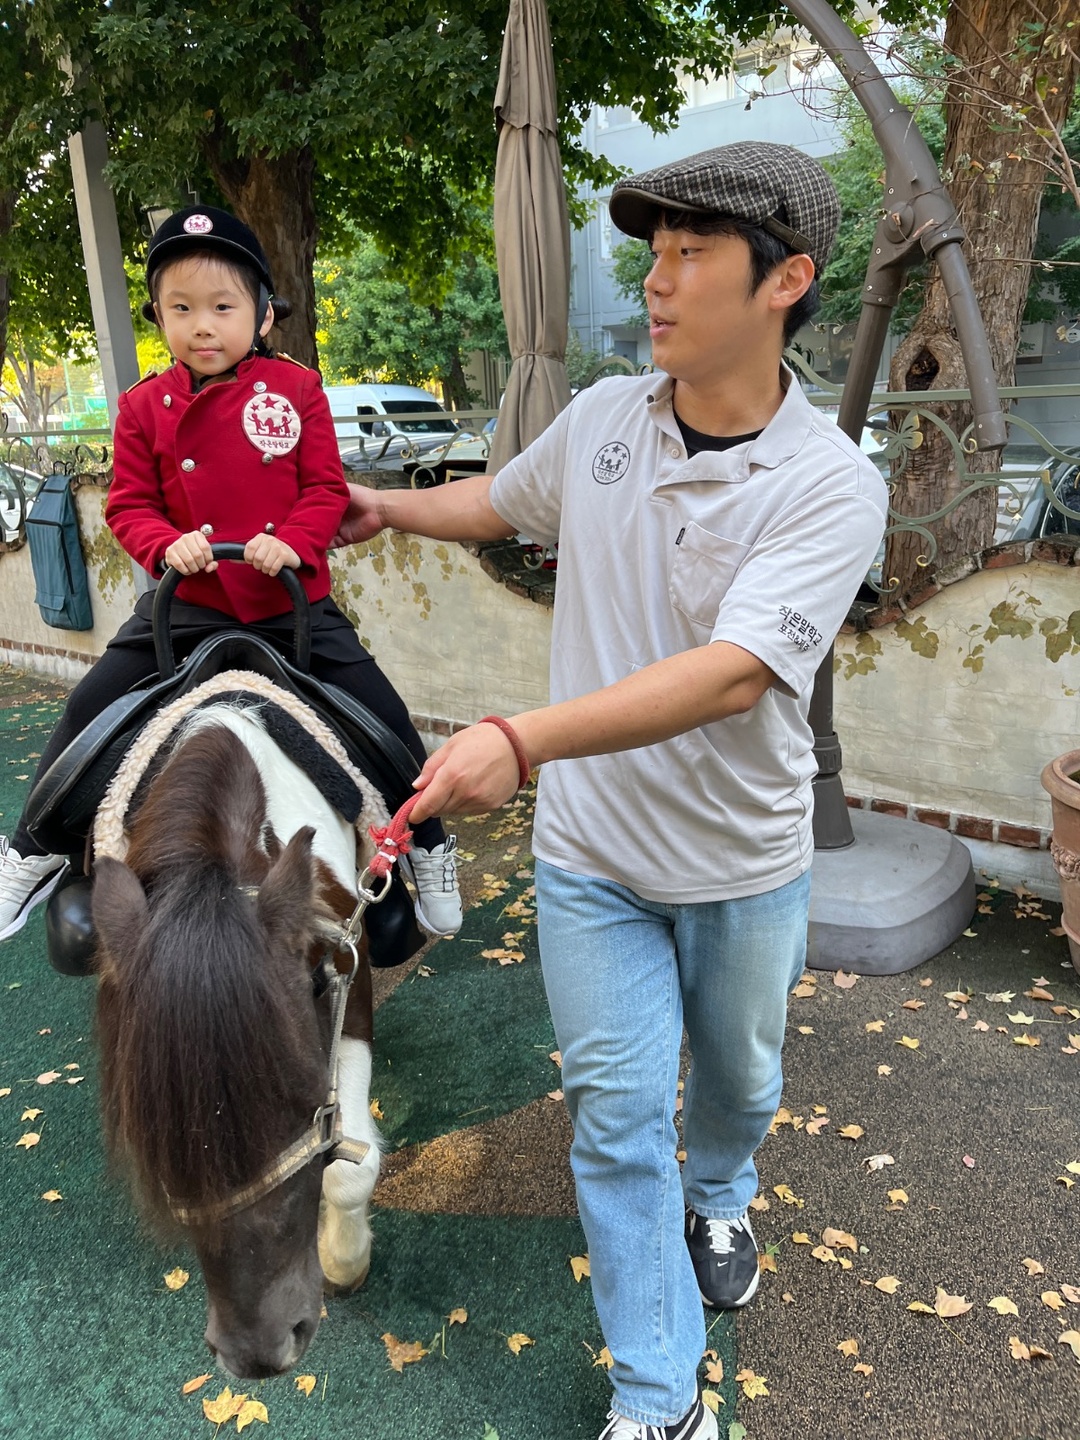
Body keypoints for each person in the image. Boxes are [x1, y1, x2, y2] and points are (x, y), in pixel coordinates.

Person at [333, 141, 889, 1439]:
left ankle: (726, 1186)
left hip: (745, 864)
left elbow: (732, 676)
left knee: (738, 1086)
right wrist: (384, 509)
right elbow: (500, 501)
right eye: (653, 251)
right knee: (617, 1123)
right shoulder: (599, 422)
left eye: (693, 253)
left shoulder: (828, 483)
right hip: (591, 860)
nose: (657, 279)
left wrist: (519, 741)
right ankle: (661, 1399)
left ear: (785, 280)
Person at [0, 206, 461, 943]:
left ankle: (428, 841)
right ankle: (32, 849)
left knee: (385, 716)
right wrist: (165, 546)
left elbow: (323, 490)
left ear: (263, 313)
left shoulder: (298, 390)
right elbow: (129, 505)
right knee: (89, 704)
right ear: (159, 316)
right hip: (186, 606)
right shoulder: (141, 407)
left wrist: (291, 542)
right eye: (181, 309)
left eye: (222, 307)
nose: (202, 326)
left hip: (289, 602)